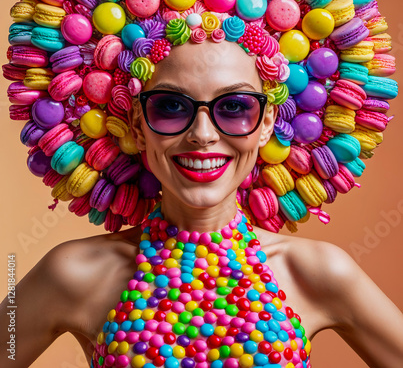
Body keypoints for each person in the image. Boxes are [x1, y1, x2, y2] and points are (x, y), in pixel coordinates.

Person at [1, 37, 403, 368]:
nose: (202, 135)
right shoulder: (72, 272)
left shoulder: (315, 272)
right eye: (172, 106)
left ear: (265, 125)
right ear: (139, 128)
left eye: (234, 107)